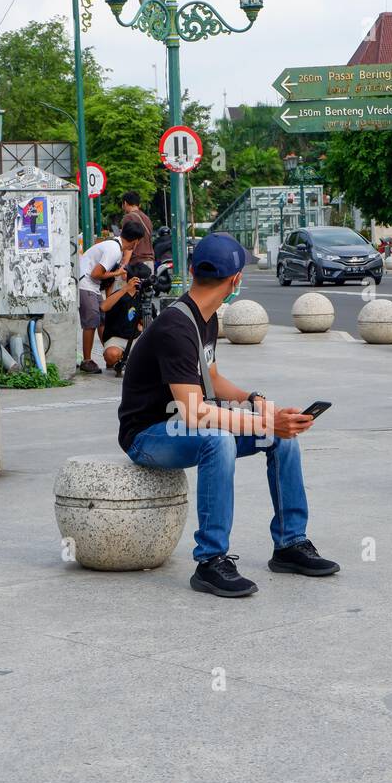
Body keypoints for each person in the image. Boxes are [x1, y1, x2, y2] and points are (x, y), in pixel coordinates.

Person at [119, 232, 340, 598]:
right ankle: (210, 561)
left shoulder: (206, 318)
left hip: (183, 422)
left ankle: (289, 544)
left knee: (280, 439)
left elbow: (213, 378)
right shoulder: (176, 327)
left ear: (192, 271)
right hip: (147, 434)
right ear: (236, 280)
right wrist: (267, 421)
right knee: (217, 440)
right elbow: (194, 413)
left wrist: (255, 402)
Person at [78, 222, 141, 373]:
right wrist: (118, 274)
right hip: (85, 283)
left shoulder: (115, 247)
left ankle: (109, 357)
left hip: (92, 285)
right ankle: (87, 361)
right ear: (136, 241)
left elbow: (106, 281)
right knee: (92, 321)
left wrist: (109, 295)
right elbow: (96, 274)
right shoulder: (114, 250)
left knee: (102, 319)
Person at [99, 262, 146, 369]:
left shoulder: (144, 297)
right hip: (116, 338)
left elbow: (145, 323)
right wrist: (126, 288)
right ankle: (118, 360)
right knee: (111, 355)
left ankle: (129, 359)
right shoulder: (119, 294)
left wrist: (141, 325)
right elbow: (103, 307)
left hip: (135, 337)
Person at [120, 191, 155, 271]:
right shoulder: (147, 218)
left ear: (125, 203)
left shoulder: (128, 218)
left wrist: (124, 266)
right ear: (139, 204)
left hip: (137, 263)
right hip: (149, 261)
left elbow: (128, 244)